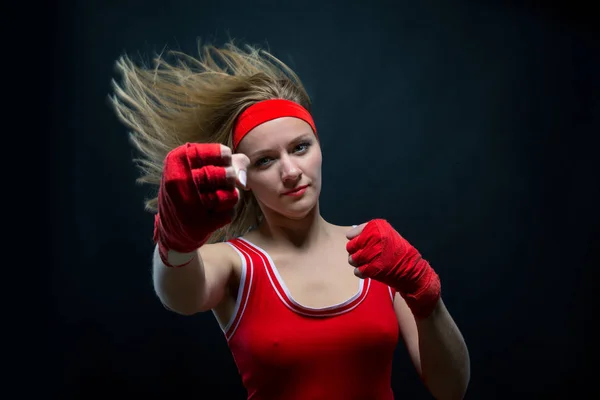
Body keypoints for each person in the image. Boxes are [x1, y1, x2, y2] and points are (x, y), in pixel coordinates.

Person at [109, 40, 470, 400]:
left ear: (319, 147)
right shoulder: (237, 263)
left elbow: (451, 389)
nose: (291, 172)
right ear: (243, 177)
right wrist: (175, 241)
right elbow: (179, 295)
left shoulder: (378, 252)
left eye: (300, 147)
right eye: (265, 160)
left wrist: (425, 291)